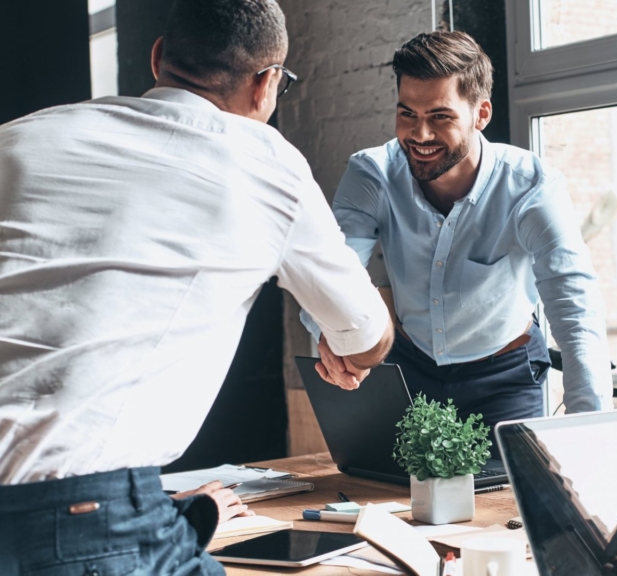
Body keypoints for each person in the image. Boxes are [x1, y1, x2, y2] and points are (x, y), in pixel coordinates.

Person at [0, 0, 392, 573]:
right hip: (84, 522)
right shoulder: (264, 162)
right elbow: (368, 341)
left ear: (158, 57)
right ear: (266, 85)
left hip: (89, 507)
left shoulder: (19, 139)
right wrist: (341, 338)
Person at [302, 31, 613, 437]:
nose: (420, 135)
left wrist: (590, 427)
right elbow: (330, 270)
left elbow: (575, 305)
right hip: (408, 368)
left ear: (480, 114)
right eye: (407, 114)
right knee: (390, 495)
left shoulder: (531, 186)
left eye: (440, 117)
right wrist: (331, 333)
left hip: (504, 378)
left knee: (511, 498)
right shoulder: (373, 173)